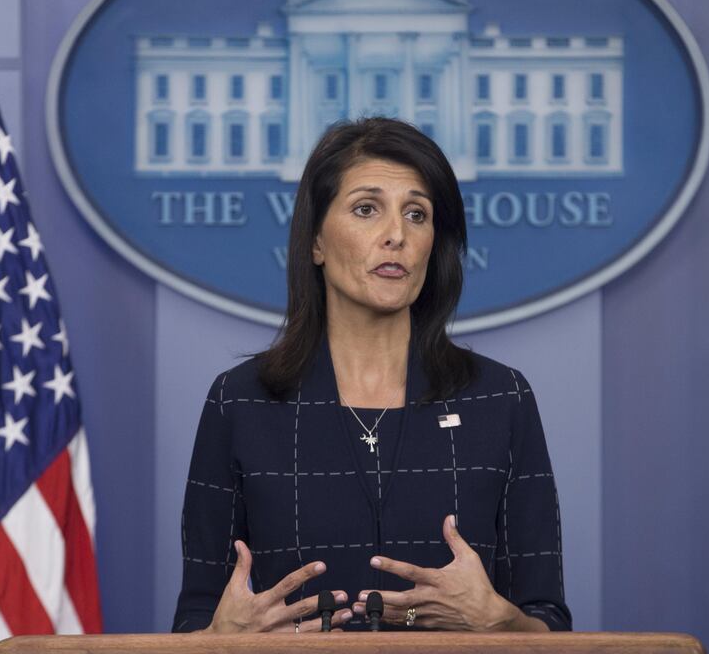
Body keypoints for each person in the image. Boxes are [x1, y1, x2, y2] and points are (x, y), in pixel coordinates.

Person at [173, 117, 571, 634]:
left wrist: (500, 622)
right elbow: (195, 619)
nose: (396, 235)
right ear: (316, 241)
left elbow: (549, 620)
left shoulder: (500, 398)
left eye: (416, 214)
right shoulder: (240, 402)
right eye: (367, 209)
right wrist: (222, 640)